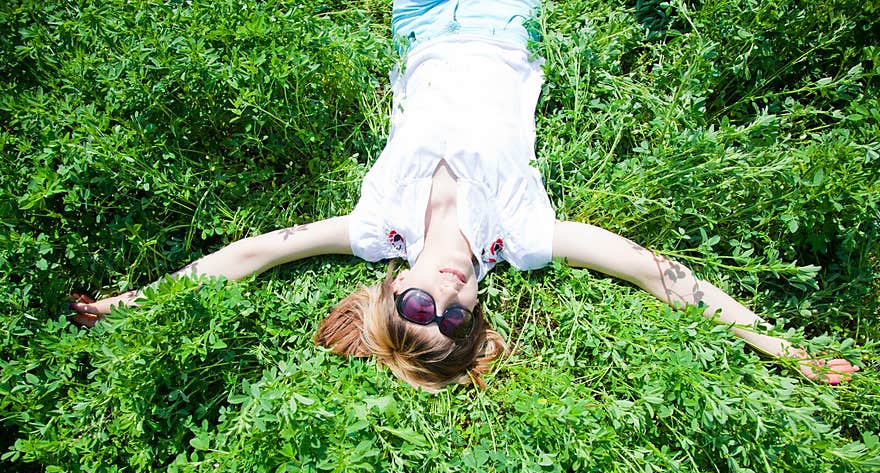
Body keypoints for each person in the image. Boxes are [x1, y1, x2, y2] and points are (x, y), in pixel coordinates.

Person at [69, 0, 860, 391]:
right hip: (502, 19)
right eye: (455, 321)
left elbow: (251, 254)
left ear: (391, 290)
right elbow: (659, 274)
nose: (442, 301)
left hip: (418, 20)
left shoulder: (374, 228)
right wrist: (783, 349)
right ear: (475, 316)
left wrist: (141, 300)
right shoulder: (525, 234)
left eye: (417, 311)